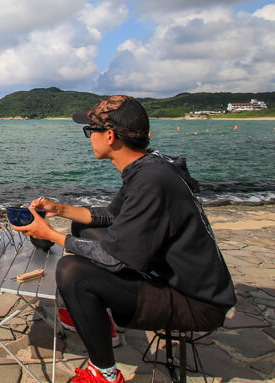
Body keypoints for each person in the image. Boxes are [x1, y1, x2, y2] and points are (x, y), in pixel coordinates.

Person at [14, 95, 236, 383]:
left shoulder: (150, 181)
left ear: (109, 136)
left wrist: (49, 234)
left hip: (195, 301)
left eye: (89, 131)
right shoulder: (148, 166)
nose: (89, 137)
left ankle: (104, 373)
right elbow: (111, 215)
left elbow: (114, 257)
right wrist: (59, 209)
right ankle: (98, 317)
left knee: (72, 274)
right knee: (81, 229)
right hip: (168, 274)